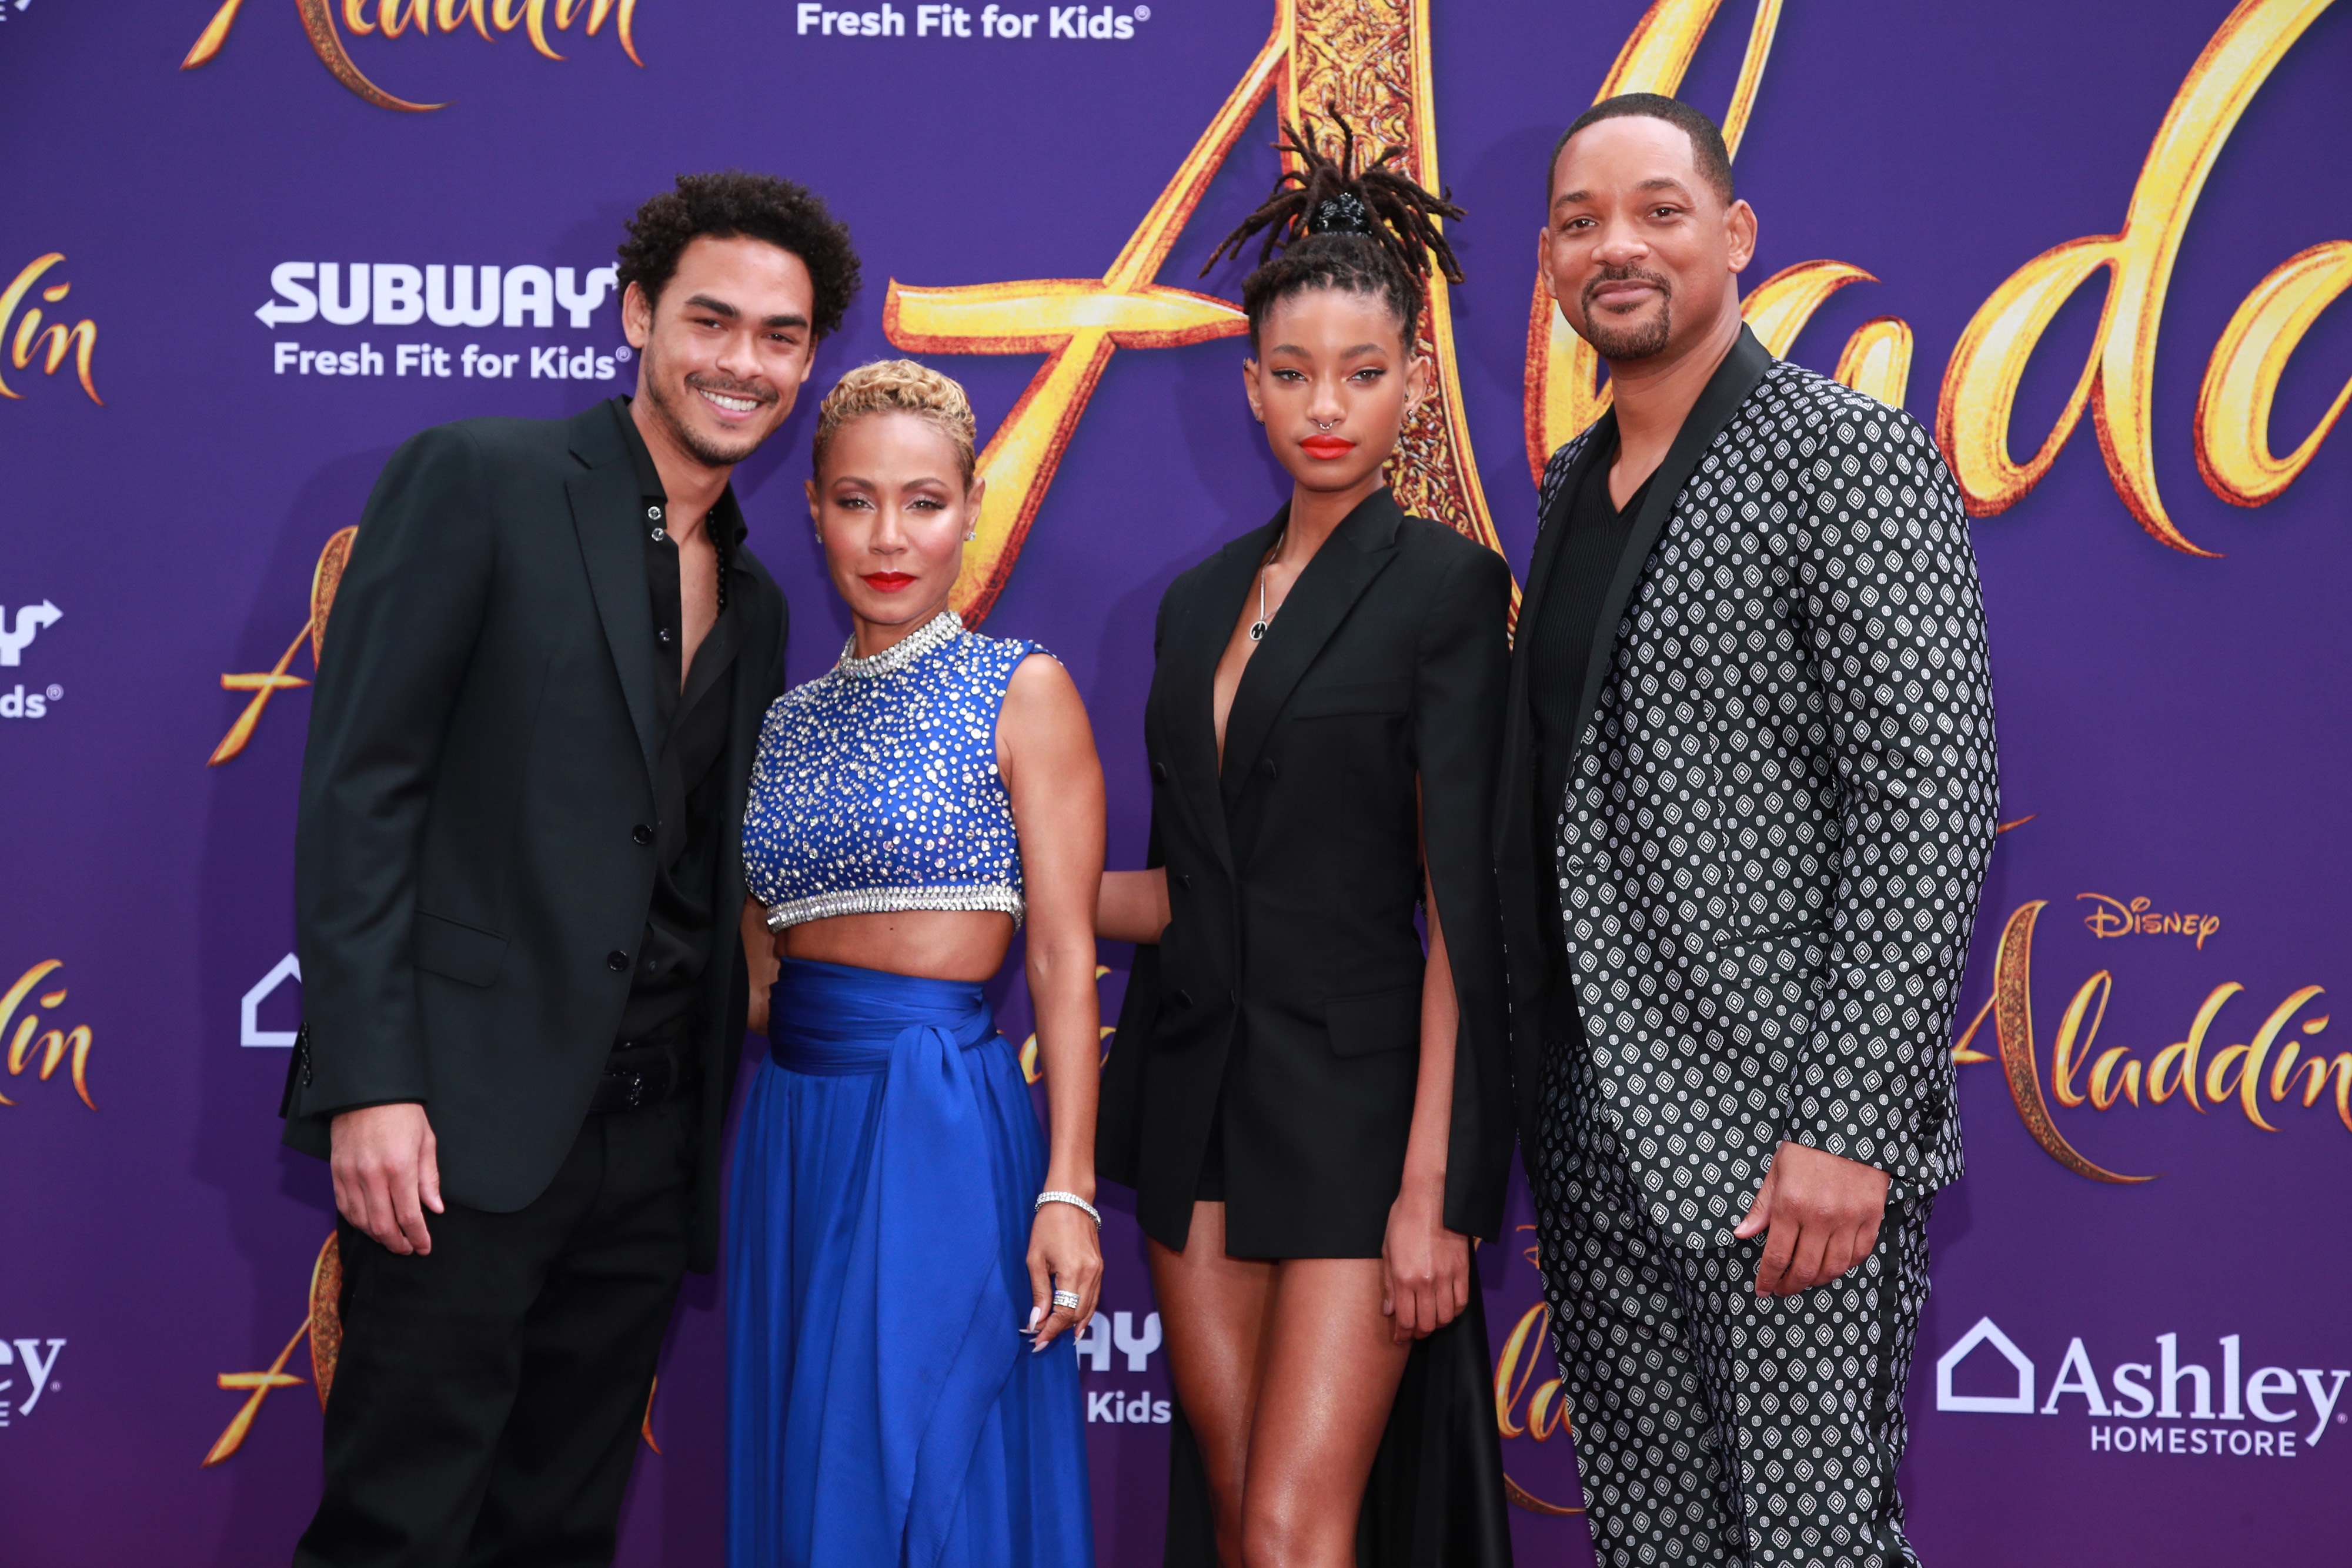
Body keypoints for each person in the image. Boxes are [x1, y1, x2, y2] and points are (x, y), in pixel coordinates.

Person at [280, 171, 858, 1567]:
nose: (742, 360)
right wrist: (370, 1081)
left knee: (559, 1531)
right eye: (711, 320)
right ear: (637, 314)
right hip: (459, 1124)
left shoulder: (759, 597)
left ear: (806, 362)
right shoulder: (481, 479)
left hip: (648, 1150)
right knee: (397, 1527)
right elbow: (362, 791)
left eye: (779, 336)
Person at [1499, 93, 1998, 1567]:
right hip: (1591, 1130)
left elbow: (1926, 796)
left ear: (1733, 235)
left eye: (1656, 210)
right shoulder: (1568, 485)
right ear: (1548, 261)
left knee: (1807, 1545)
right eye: (1580, 222)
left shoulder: (1841, 454)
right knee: (1653, 1544)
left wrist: (1845, 1124)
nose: (1616, 246)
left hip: (1782, 1137)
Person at [1095, 118, 1515, 1568]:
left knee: (1291, 1527)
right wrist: (1013, 888)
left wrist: (1434, 1187)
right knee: (1234, 1520)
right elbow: (1190, 886)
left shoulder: (1447, 588)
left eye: (1360, 371)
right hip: (1192, 1093)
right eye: (1290, 373)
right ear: (1249, 386)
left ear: (1414, 381)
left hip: (1356, 1118)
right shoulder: (1190, 601)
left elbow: (1463, 911)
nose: (1323, 405)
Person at [730, 359, 1104, 1567]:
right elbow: (755, 968)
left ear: (971, 507)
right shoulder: (782, 721)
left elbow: (1062, 953)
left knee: (934, 1470)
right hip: (794, 1128)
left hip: (936, 1122)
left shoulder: (1022, 688)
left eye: (923, 502)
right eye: (855, 501)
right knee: (814, 1475)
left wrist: (1068, 1187)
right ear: (814, 511)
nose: (888, 537)